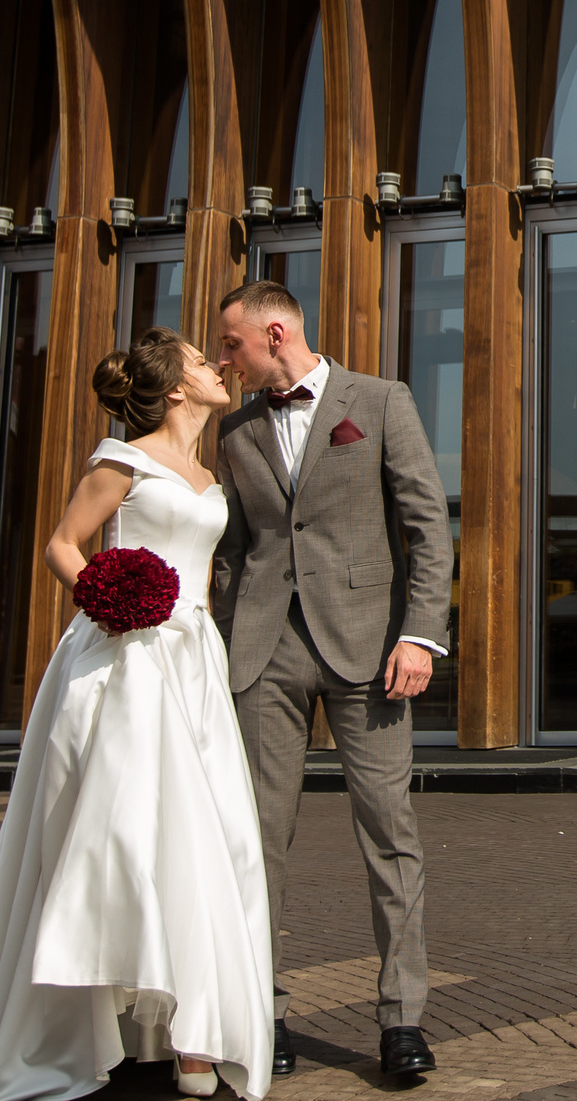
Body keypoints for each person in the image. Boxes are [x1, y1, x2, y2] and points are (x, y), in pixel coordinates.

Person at [0, 331, 274, 1101]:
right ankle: (110, 1022)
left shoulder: (207, 471)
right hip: (123, 659)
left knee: (209, 834)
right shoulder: (123, 458)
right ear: (176, 390)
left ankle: (190, 1027)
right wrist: (108, 600)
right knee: (121, 833)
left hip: (193, 661)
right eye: (197, 360)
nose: (216, 366)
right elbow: (62, 544)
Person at [213, 280, 453, 1079]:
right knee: (255, 843)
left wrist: (419, 634)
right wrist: (216, 641)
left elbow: (426, 525)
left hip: (369, 651)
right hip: (263, 652)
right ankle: (261, 1011)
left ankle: (401, 1019)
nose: (225, 359)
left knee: (390, 833)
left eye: (232, 344)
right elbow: (235, 551)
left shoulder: (380, 401)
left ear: (275, 333)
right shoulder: (237, 429)